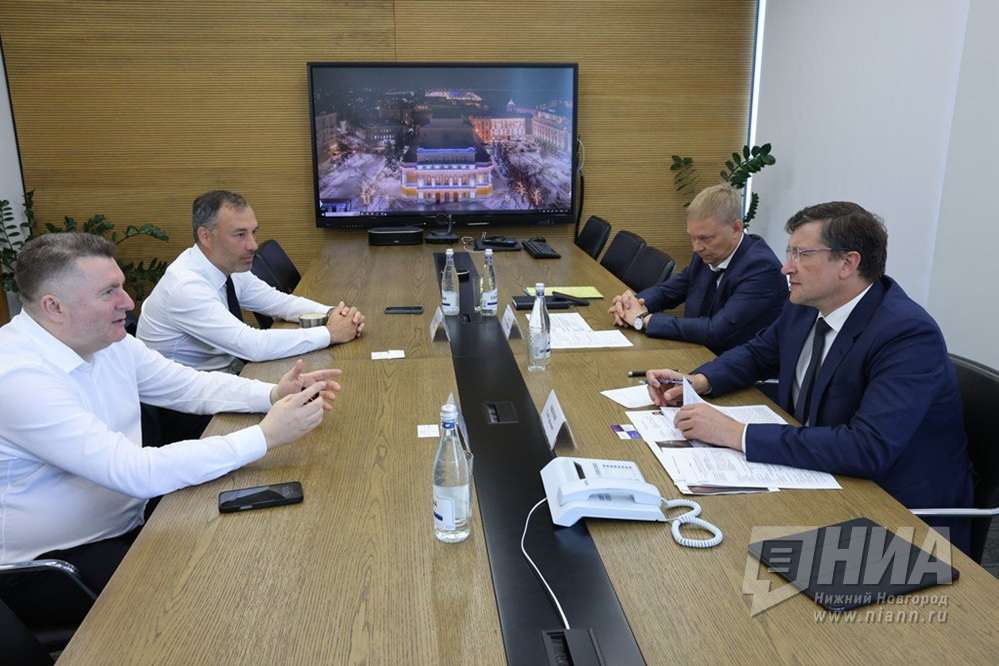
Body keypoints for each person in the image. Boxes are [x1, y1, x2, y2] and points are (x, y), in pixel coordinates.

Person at [0, 233, 342, 593]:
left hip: (134, 516)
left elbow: (188, 385)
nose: (128, 302)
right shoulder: (17, 378)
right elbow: (134, 471)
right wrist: (265, 435)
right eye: (108, 292)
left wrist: (272, 394)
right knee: (214, 590)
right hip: (56, 563)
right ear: (54, 307)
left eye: (121, 287)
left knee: (260, 548)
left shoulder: (104, 339)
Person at [646, 202, 973, 552]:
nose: (786, 267)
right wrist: (697, 381)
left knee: (735, 564)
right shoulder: (805, 306)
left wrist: (737, 434)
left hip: (898, 517)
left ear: (848, 263)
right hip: (820, 477)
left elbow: (867, 446)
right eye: (790, 253)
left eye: (802, 255)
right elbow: (758, 353)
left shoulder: (906, 334)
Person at [138, 190, 365, 373]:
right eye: (240, 235)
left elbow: (279, 302)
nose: (253, 245)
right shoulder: (185, 287)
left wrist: (333, 313)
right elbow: (251, 345)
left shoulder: (228, 265)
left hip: (229, 377)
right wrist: (331, 333)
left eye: (253, 232)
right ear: (205, 236)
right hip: (191, 404)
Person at [609, 183, 787, 354]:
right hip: (697, 353)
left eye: (705, 238)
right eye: (692, 237)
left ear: (736, 228)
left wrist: (645, 320)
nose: (696, 247)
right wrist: (631, 305)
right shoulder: (707, 253)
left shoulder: (761, 269)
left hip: (736, 367)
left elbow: (716, 330)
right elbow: (668, 292)